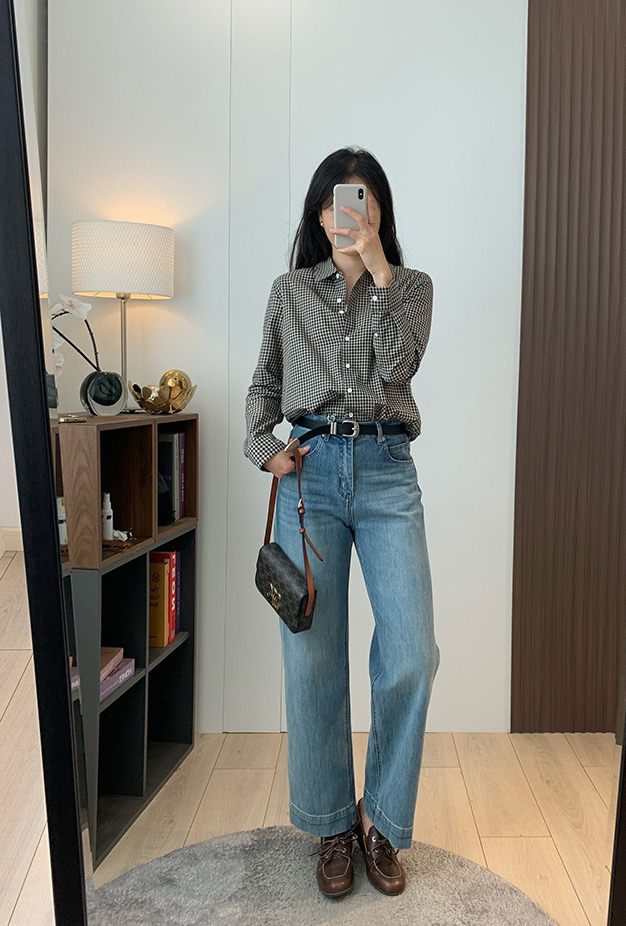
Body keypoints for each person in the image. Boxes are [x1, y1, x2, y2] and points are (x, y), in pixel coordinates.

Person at [244, 146, 441, 898]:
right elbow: (262, 389)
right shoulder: (290, 291)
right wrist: (265, 450)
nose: (344, 213)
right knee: (312, 656)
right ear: (317, 214)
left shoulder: (412, 288)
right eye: (332, 201)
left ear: (379, 209)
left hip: (388, 471)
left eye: (359, 199)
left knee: (412, 651)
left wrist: (381, 270)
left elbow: (397, 370)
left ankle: (379, 821)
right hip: (312, 477)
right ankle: (331, 822)